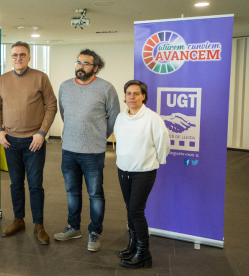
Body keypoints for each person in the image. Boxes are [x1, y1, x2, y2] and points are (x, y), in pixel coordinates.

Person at [54, 49, 120, 252]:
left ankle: (95, 231)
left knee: (95, 194)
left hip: (93, 151)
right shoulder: (65, 86)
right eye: (78, 62)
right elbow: (64, 114)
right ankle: (73, 227)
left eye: (85, 63)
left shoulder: (106, 88)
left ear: (96, 67)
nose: (80, 66)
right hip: (69, 150)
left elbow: (114, 117)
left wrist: (98, 136)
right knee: (72, 192)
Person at [0, 41, 57, 245]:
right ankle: (19, 220)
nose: (18, 58)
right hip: (10, 142)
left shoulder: (40, 77)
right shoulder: (3, 80)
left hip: (33, 142)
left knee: (35, 185)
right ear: (10, 58)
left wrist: (42, 133)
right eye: (14, 55)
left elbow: (51, 105)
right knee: (15, 184)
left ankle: (39, 225)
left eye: (22, 55)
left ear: (29, 57)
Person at [114, 80, 170, 268]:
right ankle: (133, 245)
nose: (132, 97)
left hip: (143, 172)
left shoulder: (152, 118)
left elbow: (163, 142)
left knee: (136, 212)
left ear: (143, 96)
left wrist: (158, 161)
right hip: (124, 170)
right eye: (129, 93)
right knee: (130, 210)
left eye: (136, 93)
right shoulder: (121, 117)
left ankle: (144, 254)